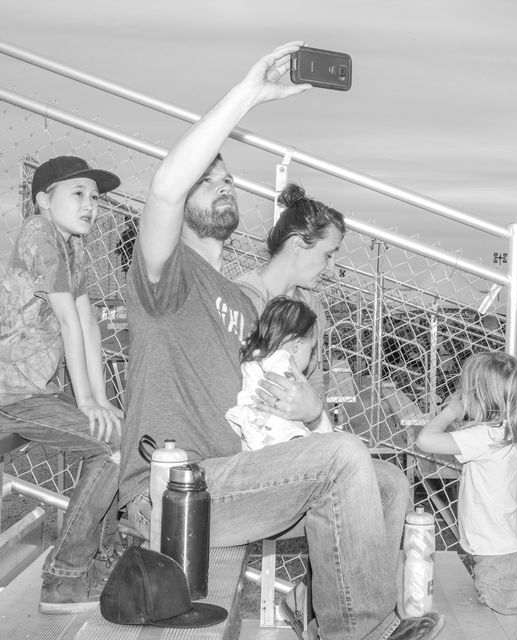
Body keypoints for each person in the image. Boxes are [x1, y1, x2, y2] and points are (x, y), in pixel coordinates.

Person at [118, 43, 443, 640]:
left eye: (226, 179)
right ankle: (364, 632)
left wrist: (312, 413)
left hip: (243, 474)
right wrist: (250, 93)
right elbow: (164, 190)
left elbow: (275, 409)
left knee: (387, 479)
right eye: (204, 179)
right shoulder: (165, 280)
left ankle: (330, 620)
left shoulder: (245, 303)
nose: (220, 186)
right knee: (345, 455)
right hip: (173, 488)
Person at [0, 156, 124, 613]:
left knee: (115, 437)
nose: (91, 205)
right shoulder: (39, 232)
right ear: (44, 200)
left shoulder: (74, 247)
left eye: (95, 197)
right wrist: (86, 400)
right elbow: (69, 320)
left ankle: (104, 566)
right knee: (108, 449)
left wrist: (105, 403)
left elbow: (90, 326)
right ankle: (64, 579)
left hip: (30, 392)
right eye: (79, 194)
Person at [415, 351, 517, 640]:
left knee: (498, 635)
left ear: (478, 396)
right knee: (505, 631)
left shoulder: (484, 436)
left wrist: (451, 412)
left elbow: (425, 440)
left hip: (497, 562)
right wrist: (502, 519)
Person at [235, 182, 344, 404]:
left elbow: (313, 383)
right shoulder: (241, 300)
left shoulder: (312, 306)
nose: (332, 269)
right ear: (297, 244)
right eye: (328, 255)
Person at [226, 295, 327, 450]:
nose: (311, 355)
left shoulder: (257, 359)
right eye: (311, 349)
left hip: (258, 431)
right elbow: (285, 400)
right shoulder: (283, 362)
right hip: (276, 435)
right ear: (297, 345)